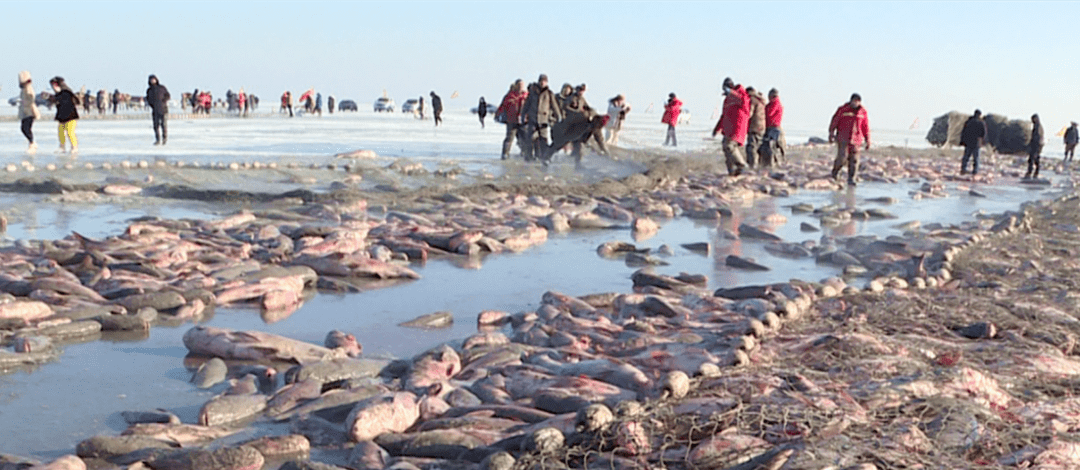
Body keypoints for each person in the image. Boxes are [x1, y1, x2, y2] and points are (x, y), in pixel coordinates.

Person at [828, 93, 871, 186]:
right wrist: (831, 133)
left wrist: (868, 140)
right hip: (843, 137)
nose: (856, 103)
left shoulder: (863, 112)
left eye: (857, 101)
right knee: (842, 157)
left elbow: (865, 126)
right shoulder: (843, 110)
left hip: (856, 140)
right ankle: (835, 172)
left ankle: (851, 178)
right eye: (854, 101)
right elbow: (835, 120)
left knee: (854, 159)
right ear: (851, 101)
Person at [713, 77, 751, 175]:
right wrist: (717, 128)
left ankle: (742, 165)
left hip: (737, 127)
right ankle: (731, 170)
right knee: (725, 147)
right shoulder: (727, 100)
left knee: (730, 146)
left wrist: (731, 93)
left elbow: (743, 100)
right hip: (728, 128)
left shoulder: (741, 94)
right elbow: (723, 115)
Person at [521, 74, 563, 163]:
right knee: (530, 138)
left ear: (546, 82)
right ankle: (528, 156)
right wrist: (523, 115)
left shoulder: (549, 93)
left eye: (544, 81)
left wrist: (558, 116)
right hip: (533, 118)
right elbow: (526, 105)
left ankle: (544, 157)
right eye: (541, 81)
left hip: (543, 120)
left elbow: (554, 106)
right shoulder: (533, 92)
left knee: (543, 139)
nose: (542, 83)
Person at [496, 79, 527, 160]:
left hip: (523, 121)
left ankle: (524, 152)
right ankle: (505, 153)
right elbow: (502, 106)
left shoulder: (526, 95)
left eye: (522, 85)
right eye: (519, 85)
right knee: (509, 138)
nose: (521, 87)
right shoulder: (510, 96)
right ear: (516, 86)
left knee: (524, 138)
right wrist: (498, 115)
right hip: (511, 120)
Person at [49, 76, 79, 154]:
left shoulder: (66, 92)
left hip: (70, 116)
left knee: (70, 132)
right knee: (61, 132)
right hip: (62, 116)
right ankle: (62, 146)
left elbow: (63, 100)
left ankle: (74, 147)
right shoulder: (59, 94)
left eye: (54, 85)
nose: (53, 87)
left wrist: (54, 98)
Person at [17, 71, 41, 154]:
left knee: (26, 128)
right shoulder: (23, 89)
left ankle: (32, 143)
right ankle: (31, 143)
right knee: (24, 128)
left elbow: (31, 96)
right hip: (24, 111)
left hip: (29, 111)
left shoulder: (28, 88)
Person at [959, 109, 987, 175]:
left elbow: (963, 132)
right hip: (977, 143)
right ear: (979, 115)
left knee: (966, 157)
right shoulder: (981, 123)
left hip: (968, 142)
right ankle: (975, 171)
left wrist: (962, 141)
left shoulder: (968, 122)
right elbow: (983, 133)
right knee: (976, 158)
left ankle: (963, 169)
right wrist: (983, 141)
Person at [762, 88, 785, 166]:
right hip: (772, 128)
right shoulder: (775, 103)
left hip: (774, 128)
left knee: (772, 147)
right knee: (772, 147)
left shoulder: (775, 103)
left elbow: (769, 113)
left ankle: (775, 163)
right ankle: (775, 162)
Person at [146, 74, 171, 145]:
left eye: (153, 79)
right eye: (151, 80)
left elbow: (168, 95)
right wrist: (152, 105)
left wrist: (163, 101)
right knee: (156, 126)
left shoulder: (162, 88)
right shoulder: (149, 90)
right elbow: (148, 99)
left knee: (164, 125)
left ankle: (164, 139)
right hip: (155, 110)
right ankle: (157, 139)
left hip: (163, 110)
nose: (152, 81)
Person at [745, 86, 766, 168]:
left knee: (751, 147)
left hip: (754, 127)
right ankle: (759, 165)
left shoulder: (752, 100)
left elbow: (749, 114)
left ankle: (752, 166)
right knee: (759, 146)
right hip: (762, 126)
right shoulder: (761, 100)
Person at [1026, 113, 1044, 179]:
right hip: (1036, 144)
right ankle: (1033, 172)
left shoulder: (1038, 126)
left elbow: (1038, 137)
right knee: (1033, 159)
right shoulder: (1037, 126)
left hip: (1037, 145)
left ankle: (1033, 173)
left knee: (1033, 159)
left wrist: (1036, 146)